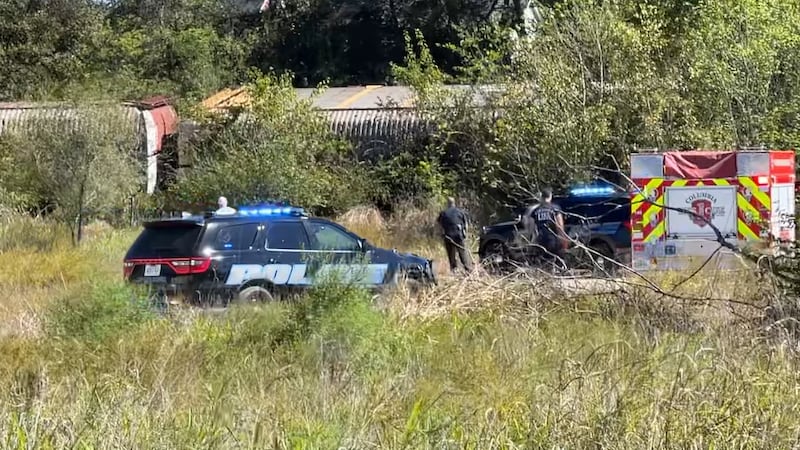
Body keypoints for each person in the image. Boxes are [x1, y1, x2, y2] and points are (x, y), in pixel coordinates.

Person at [533, 187, 568, 272]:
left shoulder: (537, 211)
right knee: (556, 261)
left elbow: (532, 227)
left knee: (545, 264)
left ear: (542, 197)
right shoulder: (555, 208)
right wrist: (563, 239)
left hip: (541, 240)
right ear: (550, 196)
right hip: (553, 239)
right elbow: (559, 225)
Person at [437, 197, 474, 274]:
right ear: (454, 203)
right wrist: (465, 234)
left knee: (451, 254)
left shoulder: (443, 213)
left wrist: (441, 234)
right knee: (463, 253)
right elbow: (466, 225)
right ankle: (468, 269)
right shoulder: (460, 212)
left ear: (447, 204)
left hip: (448, 236)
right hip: (459, 236)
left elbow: (439, 225)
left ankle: (454, 270)